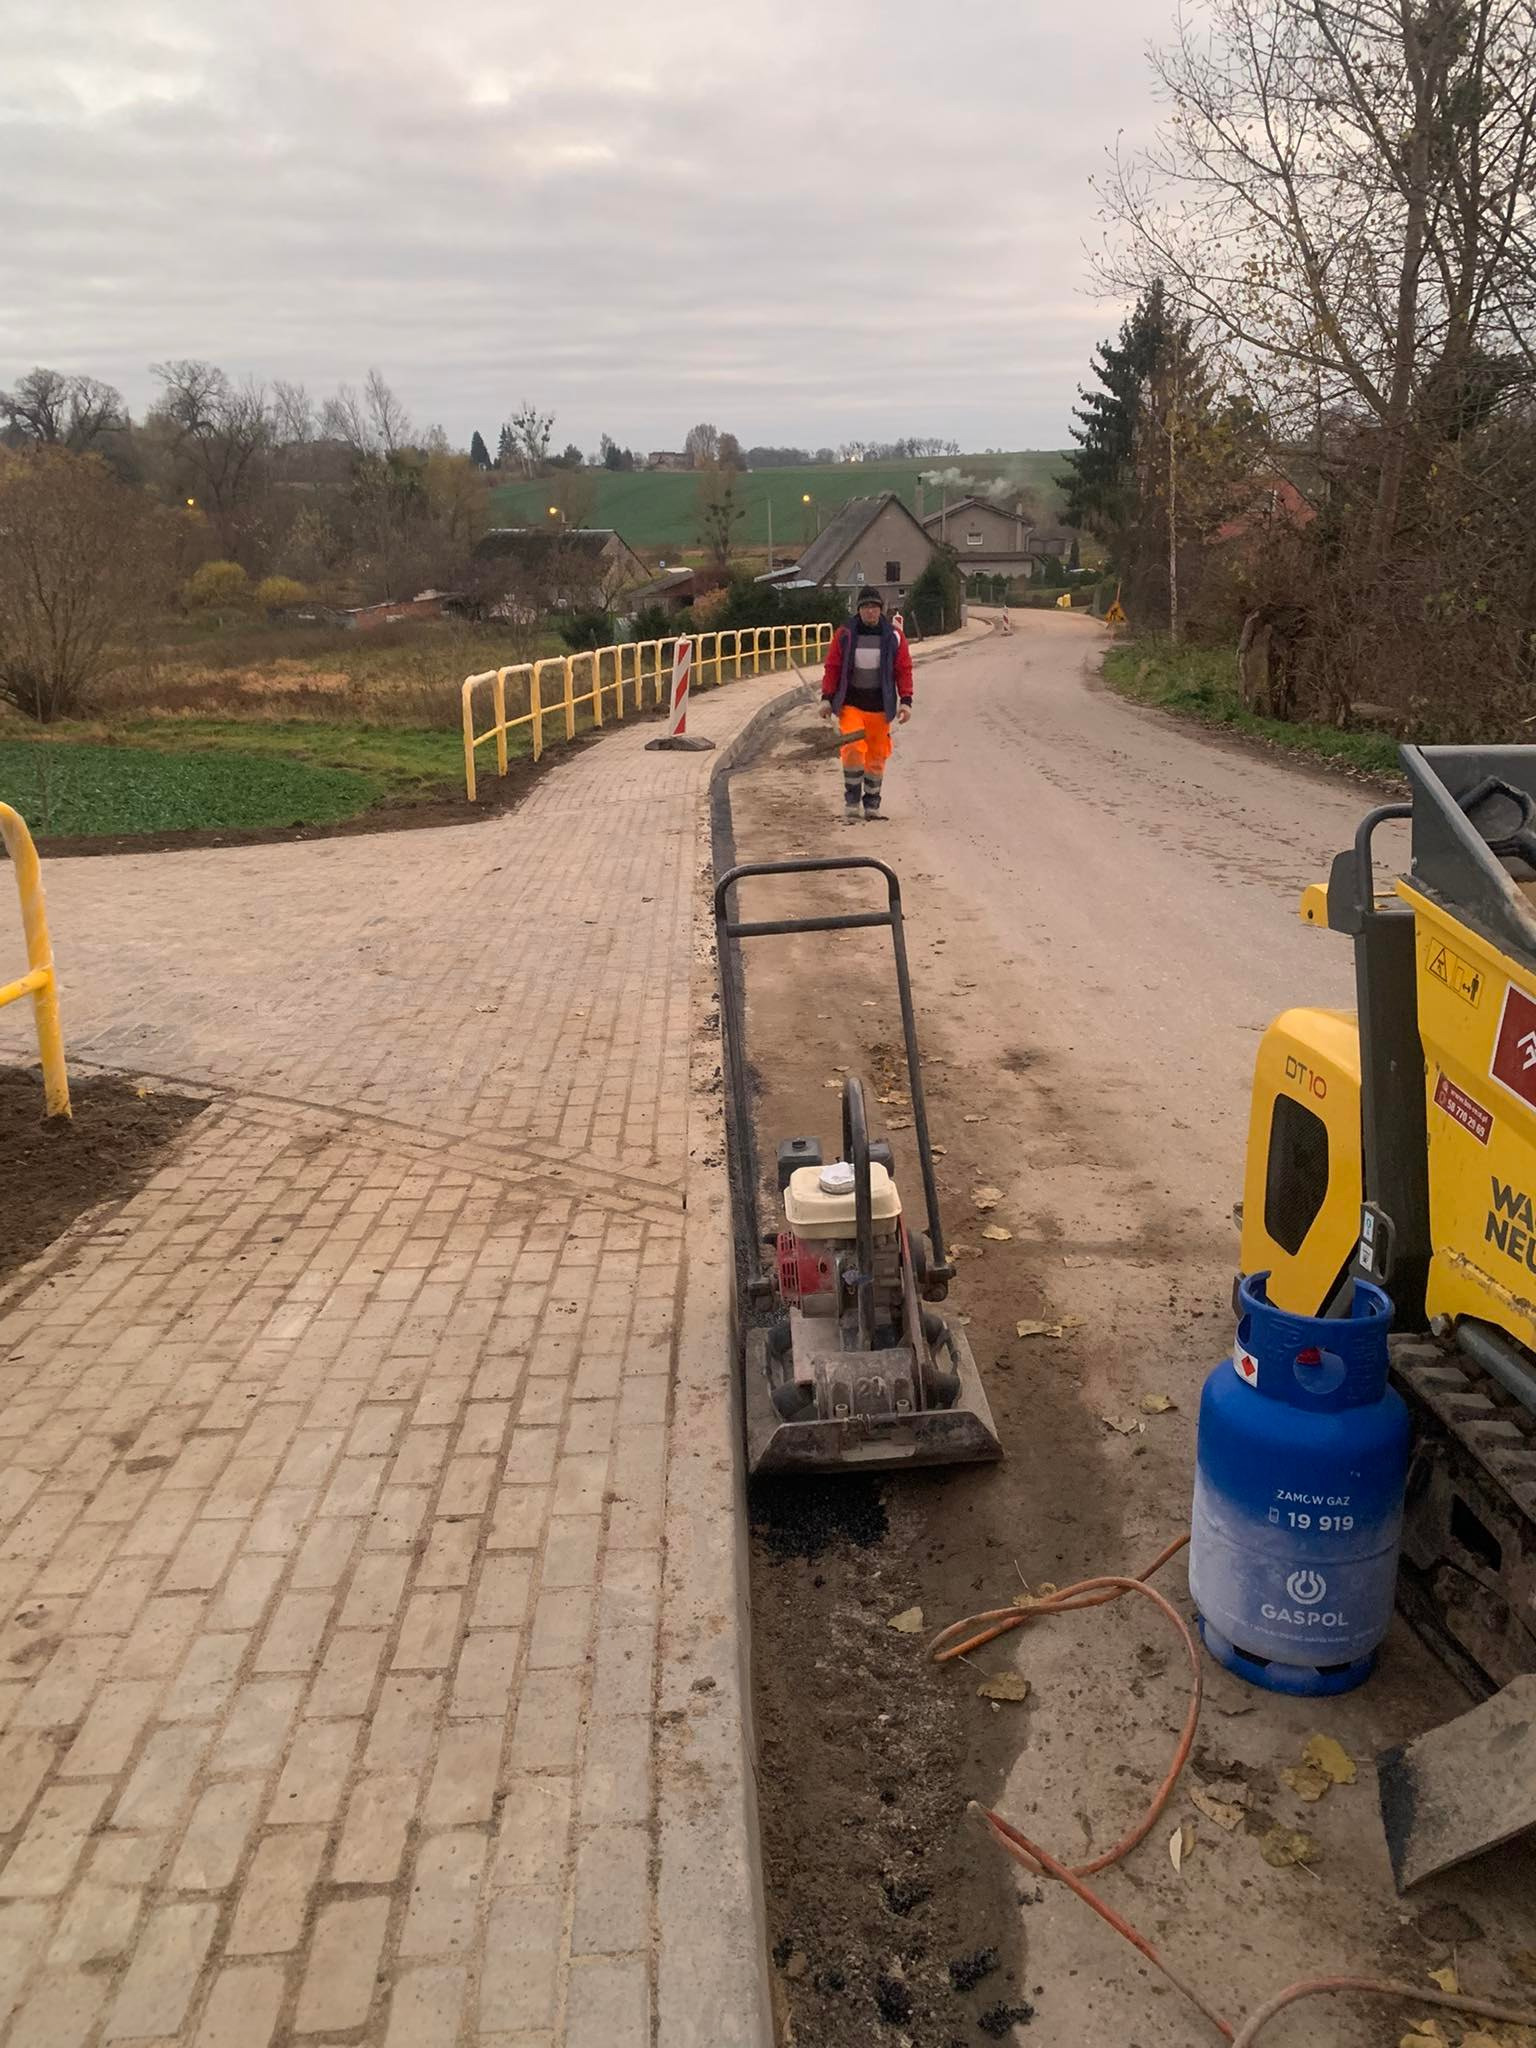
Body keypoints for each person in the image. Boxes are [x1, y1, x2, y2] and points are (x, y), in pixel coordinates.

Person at [819, 586, 913, 823]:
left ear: (881, 610)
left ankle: (872, 804)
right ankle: (852, 801)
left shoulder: (893, 637)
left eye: (874, 607)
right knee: (852, 749)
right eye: (866, 607)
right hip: (851, 705)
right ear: (858, 609)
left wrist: (906, 701)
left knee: (877, 756)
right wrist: (826, 699)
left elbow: (903, 670)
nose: (870, 612)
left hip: (881, 708)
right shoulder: (844, 635)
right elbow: (833, 668)